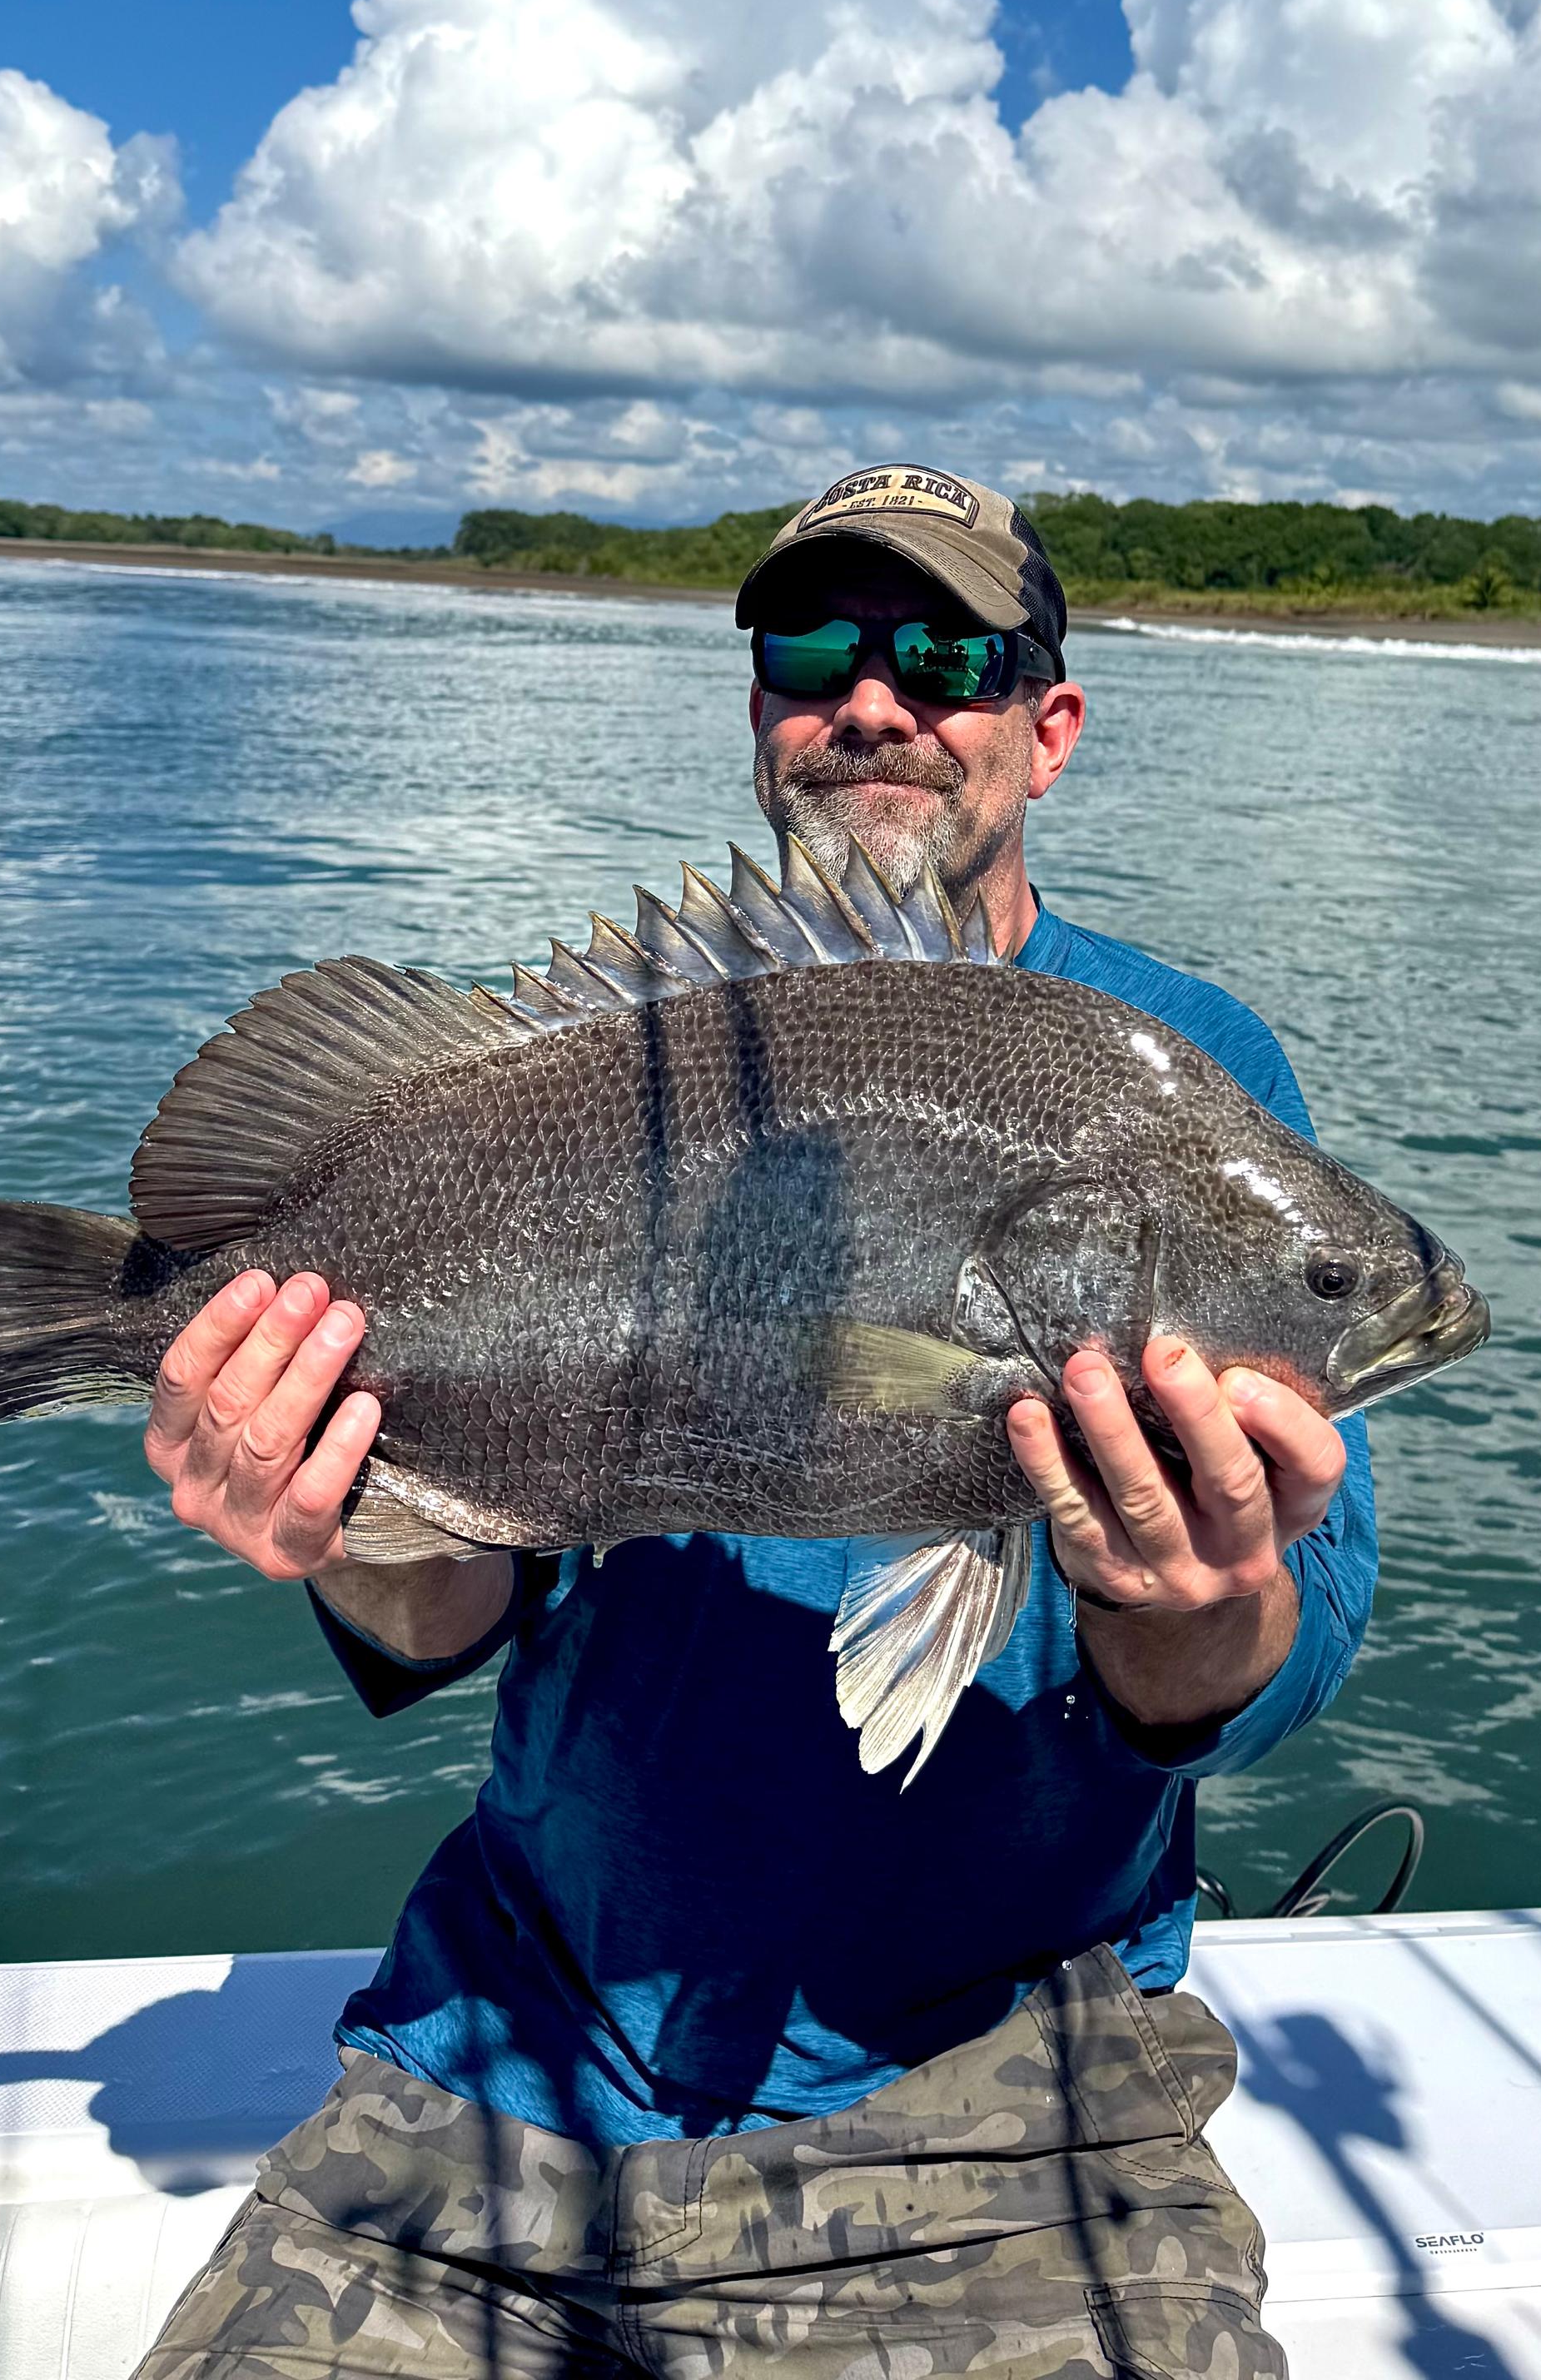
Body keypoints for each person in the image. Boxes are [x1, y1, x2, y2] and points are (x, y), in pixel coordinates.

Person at [134, 465, 1378, 2380]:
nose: (873, 697)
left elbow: (1289, 1650)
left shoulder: (1184, 1070)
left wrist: (1194, 1602)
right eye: (814, 648)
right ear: (759, 713)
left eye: (946, 652)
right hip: (500, 2054)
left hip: (1008, 2108)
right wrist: (341, 1517)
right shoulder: (586, 1070)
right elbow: (455, 1620)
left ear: (1046, 726)